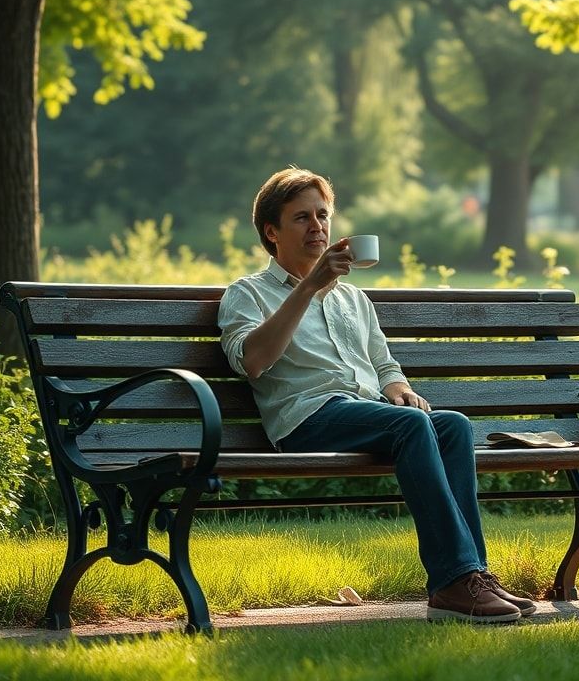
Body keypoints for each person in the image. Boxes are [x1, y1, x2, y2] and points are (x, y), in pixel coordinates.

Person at [218, 167, 535, 624]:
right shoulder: (246, 293)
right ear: (272, 231)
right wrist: (308, 287)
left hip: (367, 415)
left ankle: (473, 576)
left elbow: (386, 367)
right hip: (305, 420)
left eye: (323, 215)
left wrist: (400, 389)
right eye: (302, 218)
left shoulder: (352, 299)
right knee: (408, 425)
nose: (318, 227)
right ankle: (453, 582)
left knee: (451, 424)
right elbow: (253, 360)